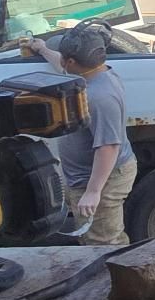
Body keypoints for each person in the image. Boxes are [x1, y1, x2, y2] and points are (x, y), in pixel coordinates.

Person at [22, 22, 137, 246]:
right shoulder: (93, 74)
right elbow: (62, 66)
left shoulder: (101, 96)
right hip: (87, 177)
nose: (62, 61)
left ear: (73, 61)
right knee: (91, 236)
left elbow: (108, 147)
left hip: (104, 180)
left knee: (103, 243)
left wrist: (94, 192)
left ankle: (111, 279)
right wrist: (43, 49)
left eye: (65, 57)